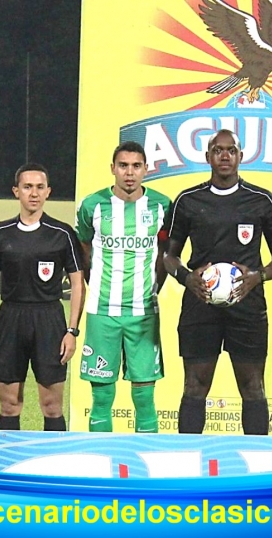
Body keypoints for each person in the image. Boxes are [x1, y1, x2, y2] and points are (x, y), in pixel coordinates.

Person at [164, 129, 272, 435]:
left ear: (241, 156)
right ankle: (188, 464)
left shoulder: (262, 201)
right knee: (194, 385)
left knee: (253, 386)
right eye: (218, 150)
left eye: (231, 150)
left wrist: (258, 277)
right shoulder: (188, 201)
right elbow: (167, 255)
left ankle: (256, 468)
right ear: (208, 157)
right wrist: (186, 278)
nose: (225, 156)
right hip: (200, 305)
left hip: (248, 307)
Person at [76, 141, 171, 433]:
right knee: (101, 396)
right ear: (113, 169)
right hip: (102, 311)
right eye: (123, 166)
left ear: (145, 169)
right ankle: (99, 464)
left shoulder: (162, 205)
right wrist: (97, 288)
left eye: (136, 166)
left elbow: (166, 254)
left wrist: (153, 288)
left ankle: (146, 467)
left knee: (145, 396)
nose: (129, 173)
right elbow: (84, 253)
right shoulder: (92, 205)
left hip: (144, 312)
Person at [0, 163, 85, 431]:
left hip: (49, 319)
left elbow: (77, 282)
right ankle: (7, 468)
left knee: (52, 406)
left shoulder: (62, 234)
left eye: (40, 187)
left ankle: (55, 468)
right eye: (27, 187)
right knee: (9, 405)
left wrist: (72, 330)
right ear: (16, 191)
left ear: (48, 192)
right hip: (10, 319)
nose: (34, 193)